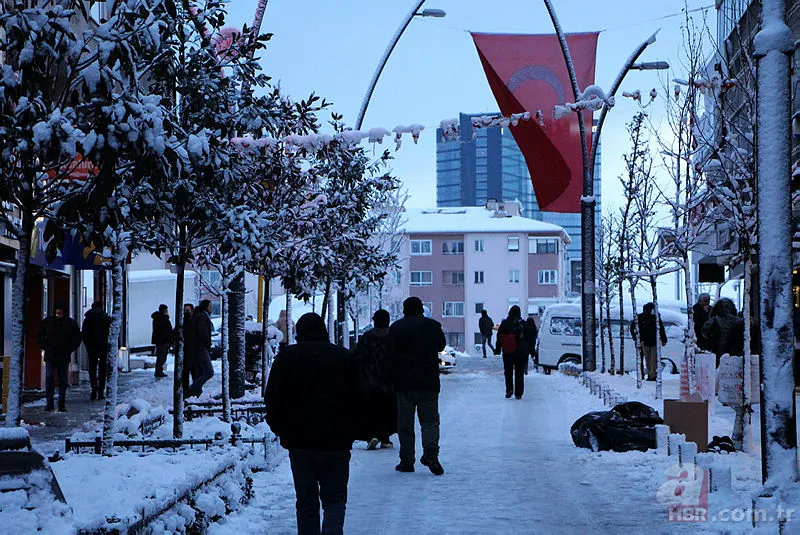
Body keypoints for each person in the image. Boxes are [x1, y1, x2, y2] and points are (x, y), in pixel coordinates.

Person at [265, 313, 358, 535]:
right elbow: (359, 398)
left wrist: (282, 430)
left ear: (299, 333)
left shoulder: (286, 358)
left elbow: (273, 399)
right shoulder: (344, 358)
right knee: (335, 500)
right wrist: (352, 431)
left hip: (300, 442)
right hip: (337, 442)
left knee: (306, 502)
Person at [389, 296, 447, 475]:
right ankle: (431, 453)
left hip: (404, 382)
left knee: (405, 423)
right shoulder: (433, 326)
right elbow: (441, 345)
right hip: (428, 381)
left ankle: (407, 460)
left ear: (405, 310)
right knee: (430, 420)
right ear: (421, 309)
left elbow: (389, 353)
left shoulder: (396, 328)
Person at [353, 309, 396, 451]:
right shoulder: (393, 337)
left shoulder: (367, 337)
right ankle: (385, 437)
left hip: (370, 381)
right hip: (389, 382)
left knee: (371, 409)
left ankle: (372, 435)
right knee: (388, 409)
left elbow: (358, 357)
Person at [38, 302, 81, 412]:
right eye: (57, 309)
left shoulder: (70, 323)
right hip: (52, 354)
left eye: (60, 309)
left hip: (61, 355)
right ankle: (51, 403)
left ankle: (60, 403)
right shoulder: (48, 322)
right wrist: (46, 347)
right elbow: (40, 336)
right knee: (51, 378)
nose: (59, 311)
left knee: (61, 380)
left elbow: (77, 338)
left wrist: (69, 348)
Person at [630, 303, 668, 381]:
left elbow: (661, 328)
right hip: (646, 341)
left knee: (652, 359)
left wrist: (663, 339)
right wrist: (636, 338)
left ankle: (651, 374)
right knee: (650, 359)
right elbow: (632, 328)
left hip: (651, 341)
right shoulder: (641, 318)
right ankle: (650, 374)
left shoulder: (655, 318)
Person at [81, 301, 111, 401]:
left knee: (92, 368)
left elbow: (84, 335)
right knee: (103, 369)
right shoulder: (106, 319)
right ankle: (101, 392)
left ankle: (94, 385)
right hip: (103, 347)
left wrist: (88, 346)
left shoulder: (87, 319)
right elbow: (112, 333)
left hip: (92, 347)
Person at [496, 305, 527, 399]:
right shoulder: (522, 324)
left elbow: (499, 337)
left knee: (508, 371)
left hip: (507, 351)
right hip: (520, 352)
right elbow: (528, 337)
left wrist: (498, 349)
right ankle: (518, 393)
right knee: (519, 373)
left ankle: (509, 389)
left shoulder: (504, 323)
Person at [187, 300, 214, 398]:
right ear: (206, 307)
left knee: (200, 373)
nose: (211, 309)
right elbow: (203, 334)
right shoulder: (202, 317)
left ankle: (195, 394)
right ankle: (191, 391)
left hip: (196, 348)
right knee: (208, 372)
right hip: (201, 348)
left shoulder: (197, 316)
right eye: (210, 307)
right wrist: (207, 344)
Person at [702, 297, 739, 366]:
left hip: (718, 348)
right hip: (734, 349)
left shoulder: (714, 320)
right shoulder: (737, 320)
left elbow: (705, 332)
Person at [151, 304, 172, 378]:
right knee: (162, 356)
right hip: (163, 341)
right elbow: (165, 330)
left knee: (161, 356)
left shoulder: (158, 318)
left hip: (161, 341)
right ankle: (159, 371)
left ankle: (159, 370)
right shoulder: (162, 319)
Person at [181, 303, 195, 395]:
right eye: (185, 311)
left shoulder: (194, 322)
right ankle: (186, 391)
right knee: (185, 373)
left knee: (195, 373)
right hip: (185, 351)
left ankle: (193, 391)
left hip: (193, 351)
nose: (186, 313)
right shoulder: (182, 322)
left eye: (187, 311)